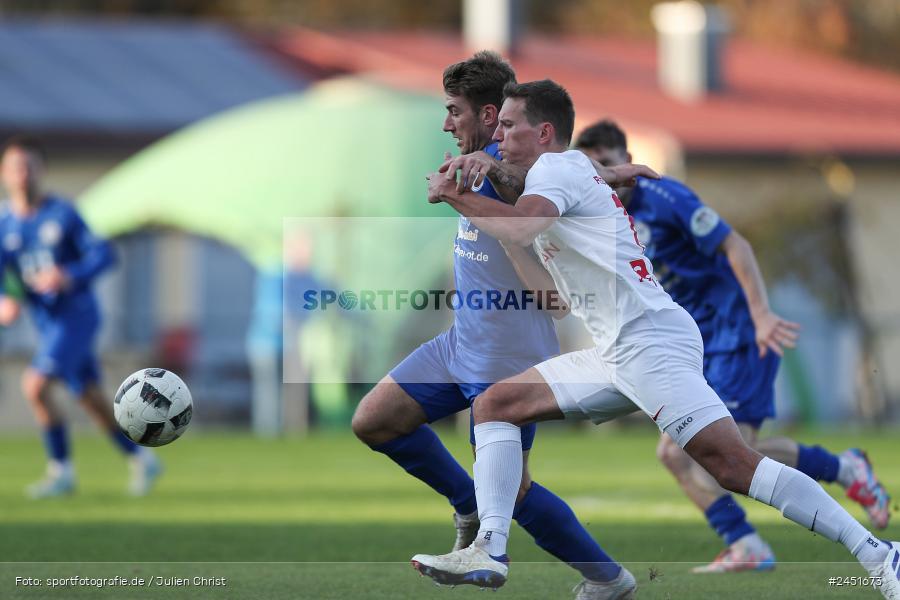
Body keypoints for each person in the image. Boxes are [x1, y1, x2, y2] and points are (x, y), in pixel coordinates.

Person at [411, 80, 900, 600]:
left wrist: (453, 194)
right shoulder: (563, 169)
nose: (498, 136)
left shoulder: (556, 170)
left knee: (733, 465)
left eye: (509, 126)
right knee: (496, 404)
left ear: (545, 132)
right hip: (620, 350)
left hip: (649, 343)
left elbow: (520, 227)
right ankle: (489, 547)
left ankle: (878, 552)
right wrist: (604, 174)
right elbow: (554, 182)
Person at [351, 52, 652, 598]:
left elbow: (534, 181)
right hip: (458, 344)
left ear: (489, 115)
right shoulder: (483, 161)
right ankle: (469, 504)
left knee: (516, 492)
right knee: (374, 420)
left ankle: (607, 577)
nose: (446, 124)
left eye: (455, 111)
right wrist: (604, 173)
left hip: (508, 355)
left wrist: (478, 176)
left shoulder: (515, 166)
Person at [573, 119, 891, 573]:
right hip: (691, 342)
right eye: (593, 169)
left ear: (627, 160)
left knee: (730, 451)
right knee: (678, 454)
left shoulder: (666, 198)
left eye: (607, 163)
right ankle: (748, 540)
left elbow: (736, 246)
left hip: (736, 330)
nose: (604, 176)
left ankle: (839, 475)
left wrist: (760, 315)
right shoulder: (602, 214)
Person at [0, 136, 161, 498]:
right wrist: (8, 298)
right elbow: (6, 276)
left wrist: (69, 275)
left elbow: (104, 255)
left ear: (41, 170)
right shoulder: (5, 225)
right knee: (91, 400)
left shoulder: (63, 215)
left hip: (77, 319)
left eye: (29, 166)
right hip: (47, 325)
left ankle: (61, 471)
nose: (23, 174)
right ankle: (142, 458)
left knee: (35, 385)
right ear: (4, 174)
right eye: (15, 167)